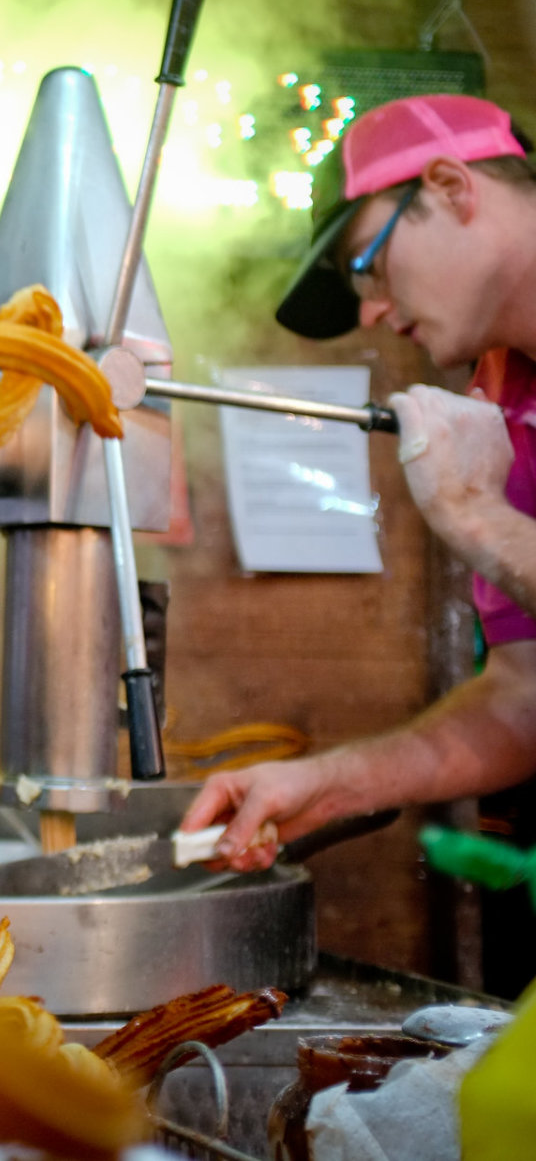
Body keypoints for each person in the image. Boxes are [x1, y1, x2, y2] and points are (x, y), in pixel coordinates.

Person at [182, 94, 536, 871]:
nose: (373, 310)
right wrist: (332, 783)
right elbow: (523, 693)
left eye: (366, 265)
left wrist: (479, 517)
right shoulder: (505, 404)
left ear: (450, 187)